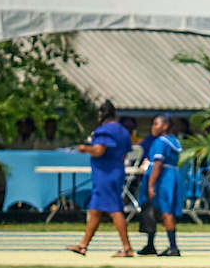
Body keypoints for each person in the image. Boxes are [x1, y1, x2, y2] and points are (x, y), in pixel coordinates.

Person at [67, 100, 135, 257]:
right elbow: (125, 153)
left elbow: (99, 150)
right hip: (116, 171)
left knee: (114, 209)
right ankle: (83, 245)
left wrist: (85, 149)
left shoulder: (104, 131)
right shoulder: (123, 131)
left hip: (105, 174)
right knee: (95, 210)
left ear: (102, 114)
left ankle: (127, 248)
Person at [136, 113, 184, 256]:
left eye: (156, 124)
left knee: (165, 210)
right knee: (152, 209)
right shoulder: (173, 140)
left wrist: (151, 185)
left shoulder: (160, 142)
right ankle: (150, 245)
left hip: (163, 179)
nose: (153, 127)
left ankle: (173, 247)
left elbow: (158, 164)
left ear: (165, 126)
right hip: (172, 175)